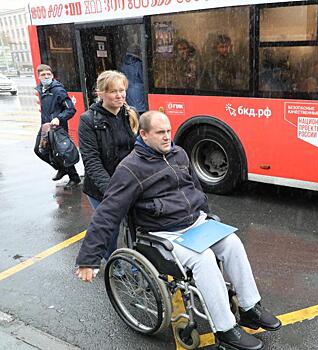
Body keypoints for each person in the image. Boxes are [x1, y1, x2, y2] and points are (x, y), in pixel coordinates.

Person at [75, 111, 280, 350]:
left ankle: (249, 308)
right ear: (144, 135)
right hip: (163, 233)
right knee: (204, 260)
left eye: (169, 131)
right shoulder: (130, 169)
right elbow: (107, 213)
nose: (167, 137)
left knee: (232, 242)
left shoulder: (178, 153)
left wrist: (207, 214)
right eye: (160, 133)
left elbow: (195, 189)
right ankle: (225, 330)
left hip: (194, 223)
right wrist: (88, 260)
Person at [78, 70, 139, 263]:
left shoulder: (130, 114)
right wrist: (112, 190)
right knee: (110, 228)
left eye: (122, 90)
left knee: (135, 225)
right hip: (102, 187)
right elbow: (91, 161)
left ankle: (137, 262)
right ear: (101, 93)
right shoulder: (88, 120)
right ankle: (113, 261)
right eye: (114, 91)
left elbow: (138, 149)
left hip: (129, 183)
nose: (120, 95)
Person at [34, 64, 81, 188]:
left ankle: (74, 178)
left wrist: (59, 118)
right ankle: (62, 168)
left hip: (57, 128)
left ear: (52, 75)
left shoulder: (57, 90)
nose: (46, 76)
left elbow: (71, 109)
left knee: (61, 152)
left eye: (48, 74)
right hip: (45, 127)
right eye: (43, 75)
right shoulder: (40, 89)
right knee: (39, 150)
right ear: (38, 76)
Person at [120, 44, 146, 114]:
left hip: (128, 92)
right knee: (141, 113)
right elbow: (144, 79)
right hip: (139, 93)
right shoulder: (139, 64)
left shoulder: (123, 64)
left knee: (132, 112)